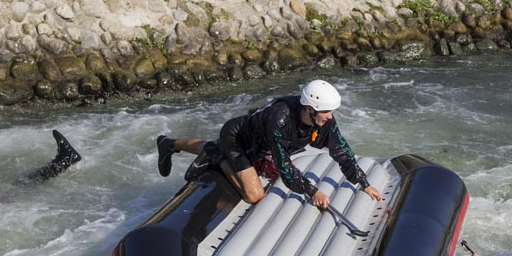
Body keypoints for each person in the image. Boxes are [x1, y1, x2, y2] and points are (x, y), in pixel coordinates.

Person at [156, 79, 383, 209]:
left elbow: (342, 152)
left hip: (260, 144)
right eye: (326, 112)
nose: (330, 116)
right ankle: (216, 155)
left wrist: (364, 183)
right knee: (255, 195)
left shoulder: (324, 122)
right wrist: (313, 191)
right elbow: (285, 167)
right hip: (236, 139)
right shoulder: (280, 118)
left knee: (269, 172)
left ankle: (169, 143)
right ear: (309, 109)